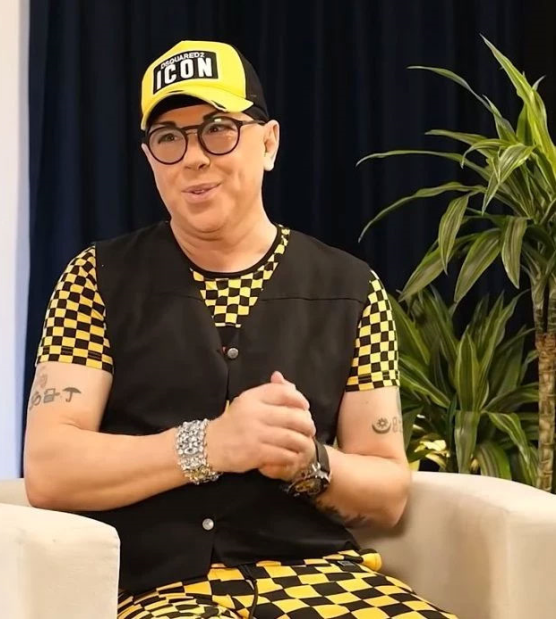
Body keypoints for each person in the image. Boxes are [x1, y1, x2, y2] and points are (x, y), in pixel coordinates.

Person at [23, 40, 458, 619]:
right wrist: (209, 445)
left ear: (269, 142)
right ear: (150, 159)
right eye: (169, 138)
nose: (193, 158)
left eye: (218, 130)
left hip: (322, 579)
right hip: (158, 588)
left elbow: (387, 491)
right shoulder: (95, 279)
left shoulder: (352, 289)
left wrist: (308, 464)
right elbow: (51, 468)